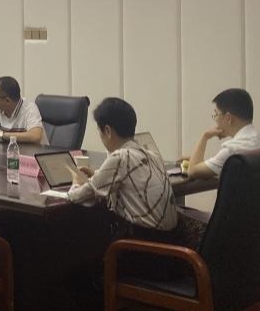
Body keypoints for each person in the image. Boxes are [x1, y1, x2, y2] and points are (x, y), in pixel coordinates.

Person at [66, 98, 177, 238]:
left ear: (107, 131)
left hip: (142, 243)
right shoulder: (152, 155)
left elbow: (77, 196)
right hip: (170, 241)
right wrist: (97, 174)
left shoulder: (120, 157)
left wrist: (76, 181)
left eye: (99, 131)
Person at [185, 88, 260, 180]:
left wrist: (205, 136)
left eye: (216, 114)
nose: (215, 120)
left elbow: (192, 171)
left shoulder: (232, 151)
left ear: (228, 118)